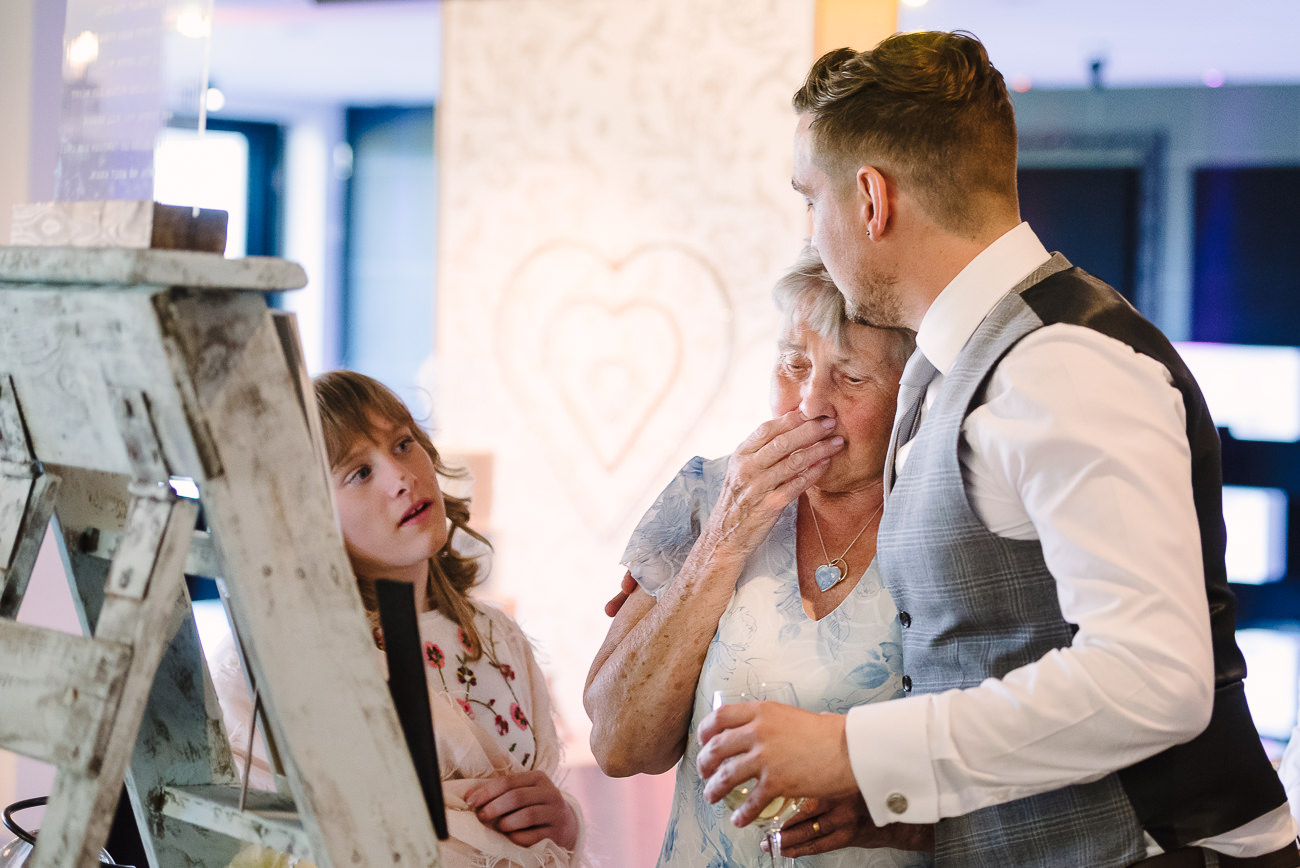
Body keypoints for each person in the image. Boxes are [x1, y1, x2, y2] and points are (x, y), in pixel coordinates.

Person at [693, 30, 1299, 867]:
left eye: (810, 199)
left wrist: (855, 751)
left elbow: (1154, 680)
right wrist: (909, 805)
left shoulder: (1058, 364)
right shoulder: (952, 362)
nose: (812, 232)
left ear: (871, 200)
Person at [585, 245, 933, 867]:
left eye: (850, 378)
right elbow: (619, 746)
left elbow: (1022, 780)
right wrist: (724, 538)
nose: (809, 404)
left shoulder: (949, 523)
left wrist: (891, 812)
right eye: (792, 365)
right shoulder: (704, 496)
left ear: (910, 395)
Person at [216, 370, 583, 868]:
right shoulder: (270, 667)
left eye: (403, 444)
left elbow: (546, 820)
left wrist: (564, 822)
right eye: (359, 472)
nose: (401, 477)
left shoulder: (499, 637)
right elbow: (262, 846)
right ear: (304, 517)